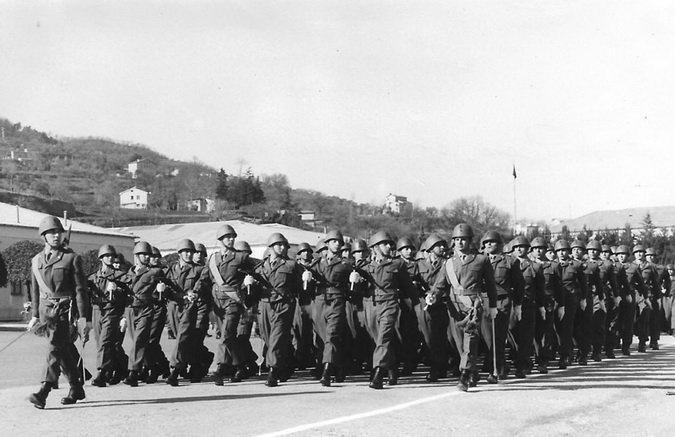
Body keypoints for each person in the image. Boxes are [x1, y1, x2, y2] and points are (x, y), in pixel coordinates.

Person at [27, 216, 92, 409]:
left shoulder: (71, 258)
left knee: (54, 348)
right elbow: (35, 290)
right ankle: (76, 387)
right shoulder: (36, 260)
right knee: (62, 351)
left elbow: (81, 290)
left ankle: (44, 391)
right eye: (50, 233)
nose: (55, 235)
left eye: (58, 232)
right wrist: (35, 316)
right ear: (43, 236)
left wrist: (84, 319)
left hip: (64, 311)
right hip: (46, 313)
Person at [431, 223, 498, 392]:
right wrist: (433, 296)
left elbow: (490, 285)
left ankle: (464, 375)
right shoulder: (448, 263)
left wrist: (493, 306)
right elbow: (440, 285)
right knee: (460, 344)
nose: (460, 243)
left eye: (464, 240)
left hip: (473, 306)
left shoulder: (481, 259)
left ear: (470, 241)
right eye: (457, 240)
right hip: (454, 307)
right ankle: (472, 371)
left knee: (470, 341)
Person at [352, 231, 416, 389]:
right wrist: (356, 282)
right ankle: (392, 367)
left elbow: (408, 286)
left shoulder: (397, 264)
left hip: (389, 304)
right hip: (370, 305)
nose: (389, 246)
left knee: (383, 339)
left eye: (390, 244)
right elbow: (357, 291)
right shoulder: (364, 266)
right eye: (384, 244)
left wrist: (417, 304)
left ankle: (378, 373)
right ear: (375, 247)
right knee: (378, 340)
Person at [206, 224, 257, 385]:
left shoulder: (240, 257)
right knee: (228, 337)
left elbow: (257, 271)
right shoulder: (213, 259)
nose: (231, 239)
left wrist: (248, 283)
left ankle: (220, 368)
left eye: (233, 237)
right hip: (217, 302)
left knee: (227, 333)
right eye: (228, 237)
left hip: (233, 301)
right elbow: (206, 279)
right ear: (220, 239)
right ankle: (241, 365)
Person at [254, 233, 306, 387]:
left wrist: (306, 280)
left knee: (277, 337)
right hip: (264, 305)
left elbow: (301, 287)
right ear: (270, 247)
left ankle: (273, 371)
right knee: (269, 338)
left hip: (283, 304)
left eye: (284, 245)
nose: (282, 248)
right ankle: (287, 363)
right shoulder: (260, 267)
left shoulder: (291, 266)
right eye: (279, 245)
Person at [306, 230, 351, 386]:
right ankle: (338, 366)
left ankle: (326, 372)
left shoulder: (345, 264)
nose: (337, 244)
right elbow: (308, 289)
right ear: (327, 244)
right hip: (319, 302)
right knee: (324, 338)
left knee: (331, 336)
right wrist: (307, 280)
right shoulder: (316, 264)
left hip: (336, 301)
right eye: (333, 241)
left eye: (339, 242)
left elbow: (352, 288)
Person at [123, 241, 166, 387]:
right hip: (130, 309)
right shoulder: (128, 272)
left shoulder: (155, 272)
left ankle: (133, 373)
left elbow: (170, 289)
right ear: (136, 255)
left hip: (146, 309)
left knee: (139, 341)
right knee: (140, 342)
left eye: (148, 254)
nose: (147, 257)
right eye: (143, 254)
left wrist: (163, 290)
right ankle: (154, 367)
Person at [88, 244, 131, 387]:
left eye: (112, 256)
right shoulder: (93, 277)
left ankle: (101, 373)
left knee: (105, 342)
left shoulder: (121, 276)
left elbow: (130, 296)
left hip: (112, 311)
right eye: (106, 256)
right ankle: (121, 368)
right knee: (101, 343)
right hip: (97, 311)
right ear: (101, 258)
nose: (110, 258)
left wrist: (117, 291)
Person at [416, 234, 451, 383]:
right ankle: (437, 364)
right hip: (424, 304)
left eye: (443, 245)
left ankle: (437, 368)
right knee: (427, 337)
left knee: (439, 337)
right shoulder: (420, 265)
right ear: (430, 248)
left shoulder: (447, 263)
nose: (442, 247)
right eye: (439, 245)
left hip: (442, 304)